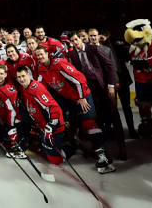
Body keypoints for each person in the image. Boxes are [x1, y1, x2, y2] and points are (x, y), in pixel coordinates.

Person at [35, 46, 114, 174]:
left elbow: (80, 79)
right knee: (55, 115)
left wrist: (82, 97)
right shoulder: (41, 68)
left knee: (88, 123)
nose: (40, 57)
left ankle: (103, 154)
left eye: (42, 55)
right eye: (37, 56)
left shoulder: (59, 63)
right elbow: (41, 86)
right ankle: (72, 142)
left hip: (81, 96)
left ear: (47, 54)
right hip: (67, 97)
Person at [68, 31, 126, 160]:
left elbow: (110, 66)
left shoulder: (94, 48)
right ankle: (98, 146)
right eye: (72, 41)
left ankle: (122, 147)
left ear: (82, 38)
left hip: (104, 85)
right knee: (95, 116)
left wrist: (111, 85)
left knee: (114, 115)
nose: (75, 42)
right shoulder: (72, 53)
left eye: (76, 39)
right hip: (90, 88)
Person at [15, 66, 76, 165]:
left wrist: (50, 127)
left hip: (52, 124)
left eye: (23, 76)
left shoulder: (36, 89)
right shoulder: (25, 87)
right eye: (19, 77)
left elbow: (54, 108)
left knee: (55, 160)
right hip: (44, 125)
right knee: (46, 150)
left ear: (28, 75)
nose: (21, 79)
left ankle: (74, 146)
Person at [0, 64, 25, 159]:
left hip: (11, 119)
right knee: (1, 141)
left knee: (9, 143)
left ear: (5, 75)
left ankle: (19, 142)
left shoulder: (9, 90)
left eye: (1, 73)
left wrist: (11, 128)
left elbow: (12, 112)